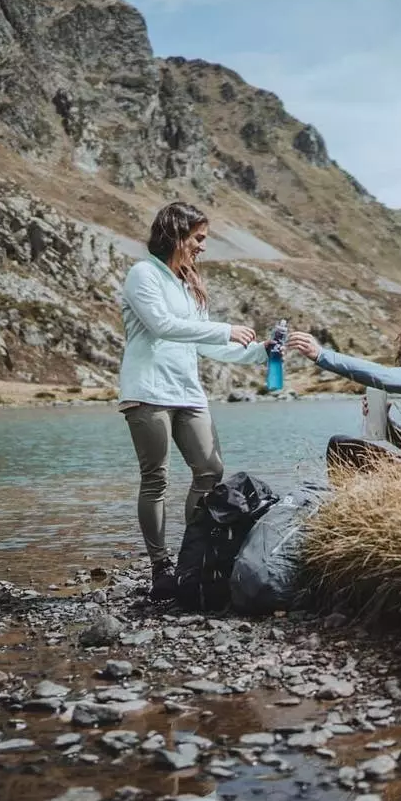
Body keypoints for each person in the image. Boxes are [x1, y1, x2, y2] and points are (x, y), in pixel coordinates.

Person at [119, 201, 270, 597]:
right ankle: (160, 566)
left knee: (210, 469)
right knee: (156, 478)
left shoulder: (188, 285)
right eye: (198, 238)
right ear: (177, 234)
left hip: (187, 392)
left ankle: (192, 555)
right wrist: (225, 329)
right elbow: (161, 326)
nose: (203, 246)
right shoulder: (143, 274)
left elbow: (208, 344)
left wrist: (261, 352)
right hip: (147, 391)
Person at [285, 299, 401, 474]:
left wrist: (321, 355)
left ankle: (344, 497)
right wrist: (384, 422)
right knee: (343, 446)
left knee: (339, 445)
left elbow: (383, 377)